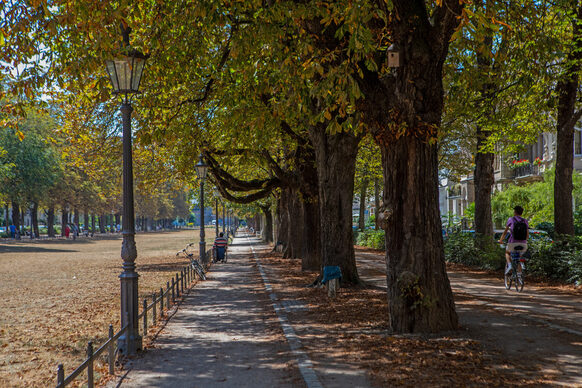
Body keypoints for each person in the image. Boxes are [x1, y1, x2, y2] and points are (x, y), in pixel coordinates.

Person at [498, 205, 529, 275]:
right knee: (520, 257)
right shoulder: (525, 221)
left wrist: (500, 240)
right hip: (523, 244)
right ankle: (520, 275)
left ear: (515, 212)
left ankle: (509, 265)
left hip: (512, 243)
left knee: (507, 252)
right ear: (521, 213)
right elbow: (527, 235)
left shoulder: (511, 219)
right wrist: (524, 241)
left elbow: (505, 232)